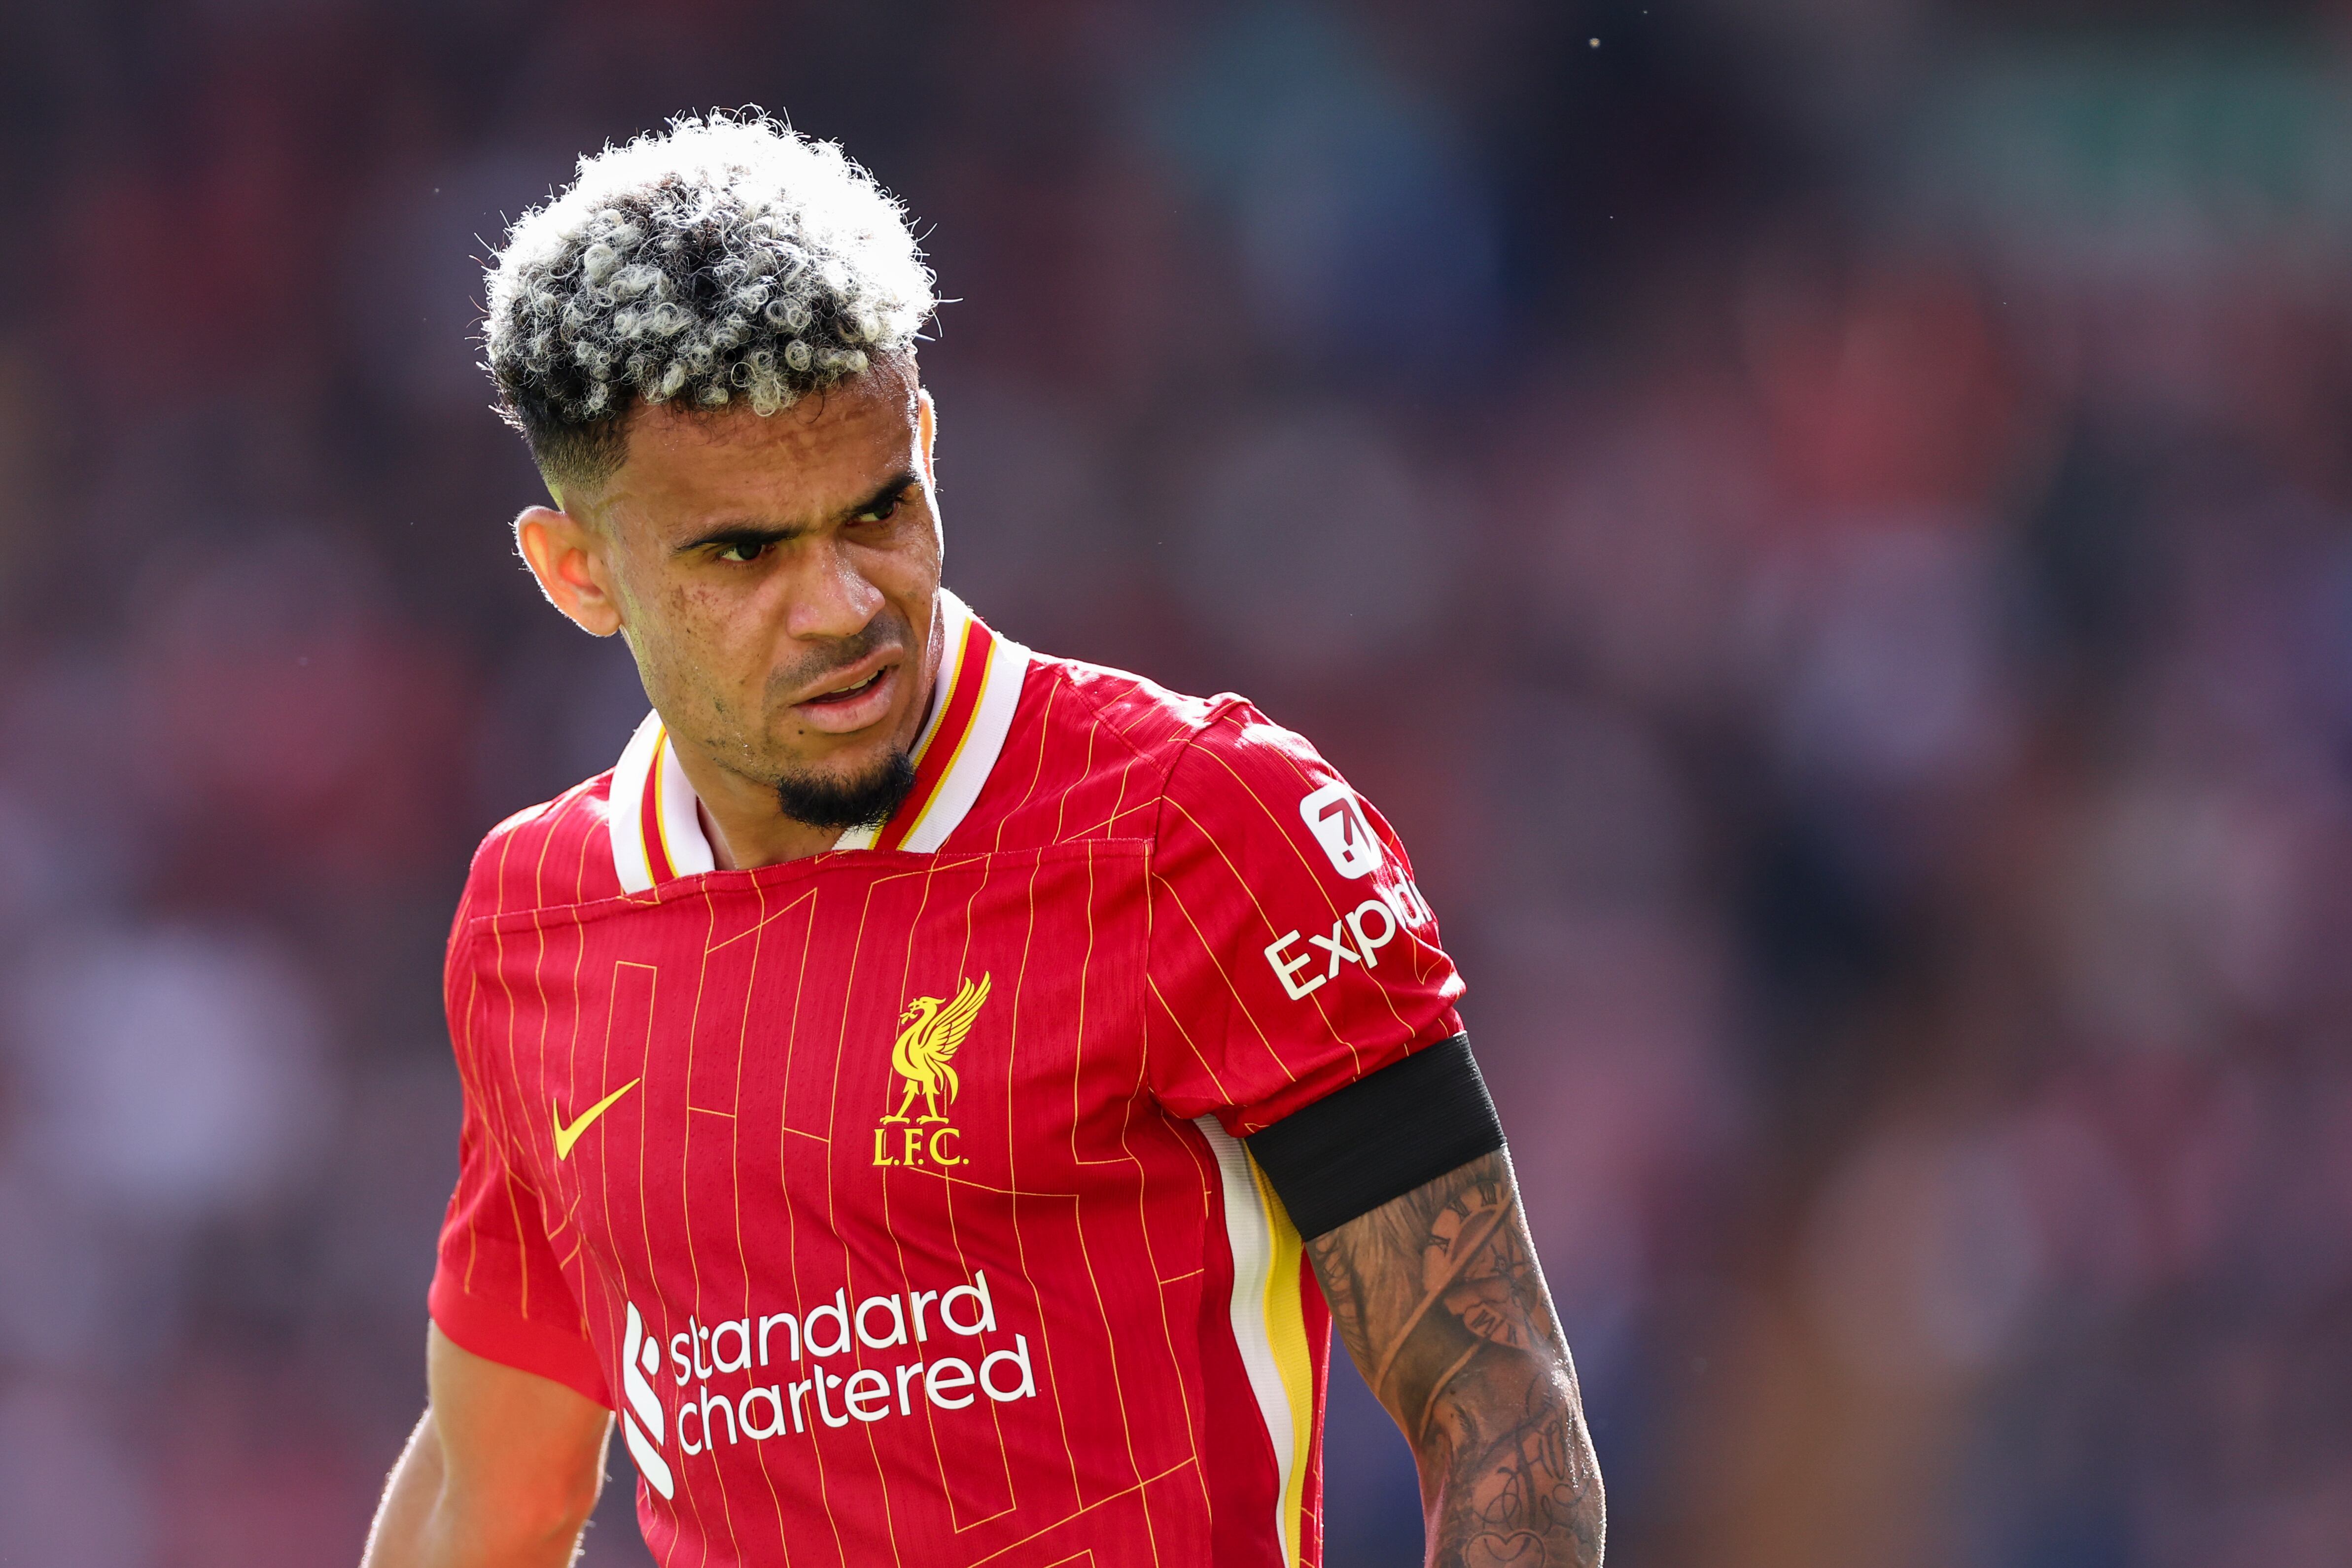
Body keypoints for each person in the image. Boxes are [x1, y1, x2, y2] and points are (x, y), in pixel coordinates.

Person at [360, 111, 1602, 1568]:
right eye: (744, 554)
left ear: (927, 442)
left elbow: (1497, 1397)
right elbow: (490, 1494)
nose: (841, 608)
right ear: (577, 572)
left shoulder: (1191, 822)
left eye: (877, 511)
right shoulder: (535, 919)